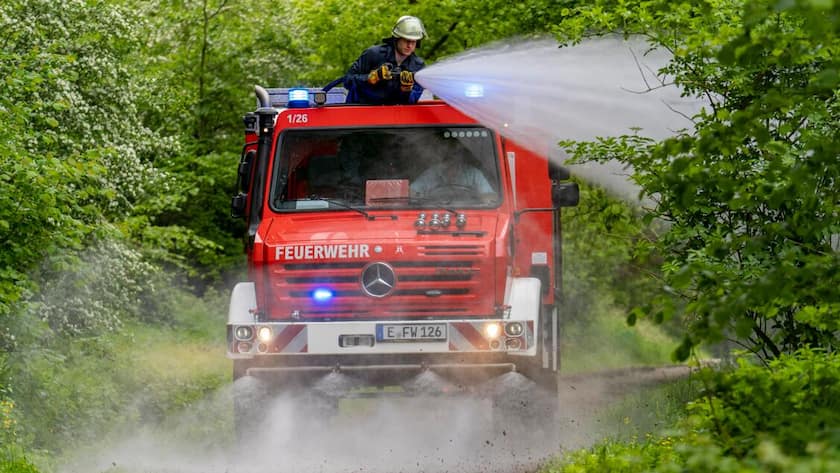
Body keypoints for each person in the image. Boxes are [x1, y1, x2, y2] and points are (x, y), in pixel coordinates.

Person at [344, 16, 426, 105]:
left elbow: (412, 101)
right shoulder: (373, 54)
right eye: (406, 40)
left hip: (392, 116)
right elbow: (348, 81)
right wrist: (371, 78)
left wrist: (406, 90)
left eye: (413, 42)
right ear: (397, 38)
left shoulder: (418, 66)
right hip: (359, 112)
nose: (409, 46)